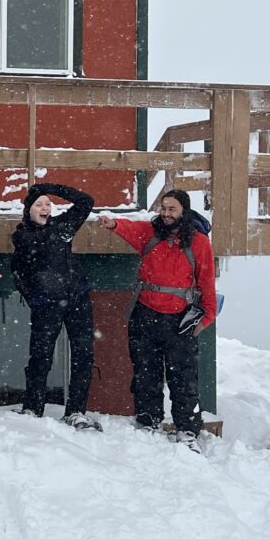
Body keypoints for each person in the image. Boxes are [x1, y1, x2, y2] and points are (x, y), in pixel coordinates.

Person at [99, 189, 217, 449]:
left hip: (180, 319)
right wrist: (113, 224)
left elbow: (207, 283)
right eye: (163, 208)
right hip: (144, 314)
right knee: (145, 373)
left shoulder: (198, 242)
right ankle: (148, 421)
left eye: (172, 209)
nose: (166, 213)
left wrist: (204, 320)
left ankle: (186, 430)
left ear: (184, 211)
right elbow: (129, 228)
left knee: (183, 380)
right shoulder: (149, 233)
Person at [11, 183, 100, 429]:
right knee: (41, 357)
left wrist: (50, 188)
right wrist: (35, 299)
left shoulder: (62, 227)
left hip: (78, 299)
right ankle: (32, 407)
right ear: (28, 210)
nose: (45, 208)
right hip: (47, 304)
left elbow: (86, 200)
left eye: (48, 204)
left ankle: (76, 410)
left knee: (83, 356)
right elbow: (20, 270)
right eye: (39, 204)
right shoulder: (22, 236)